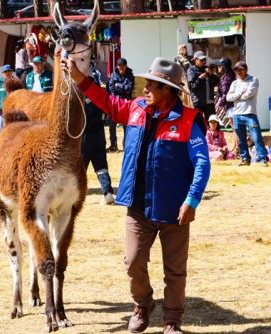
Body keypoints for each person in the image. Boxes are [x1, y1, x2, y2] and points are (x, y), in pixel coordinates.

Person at [63, 55, 210, 334]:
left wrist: (192, 200)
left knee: (175, 270)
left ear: (168, 90)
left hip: (174, 209)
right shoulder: (134, 109)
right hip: (138, 208)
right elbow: (106, 101)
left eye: (151, 84)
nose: (144, 89)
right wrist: (79, 78)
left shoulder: (190, 120)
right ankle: (143, 304)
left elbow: (202, 162)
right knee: (133, 262)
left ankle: (172, 321)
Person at [82, 62, 115, 205]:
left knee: (80, 167)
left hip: (86, 136)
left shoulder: (82, 96)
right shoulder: (100, 94)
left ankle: (75, 195)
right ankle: (107, 192)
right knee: (101, 165)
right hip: (99, 134)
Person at [226, 61, 268, 166]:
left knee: (256, 137)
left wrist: (237, 96)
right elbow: (228, 98)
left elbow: (249, 94)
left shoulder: (253, 80)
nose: (239, 72)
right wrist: (240, 92)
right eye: (236, 70)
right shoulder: (234, 83)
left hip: (250, 113)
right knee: (240, 139)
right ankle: (245, 159)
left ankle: (263, 158)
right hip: (237, 114)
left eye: (241, 69)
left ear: (246, 70)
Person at [106, 57, 135, 152]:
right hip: (114, 102)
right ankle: (113, 145)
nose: (120, 68)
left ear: (126, 66)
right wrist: (122, 88)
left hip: (126, 103)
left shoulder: (130, 75)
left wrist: (118, 85)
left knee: (126, 125)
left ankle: (125, 145)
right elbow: (111, 88)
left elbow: (129, 89)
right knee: (111, 123)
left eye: (122, 66)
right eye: (119, 66)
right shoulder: (113, 74)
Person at [187, 51, 219, 120]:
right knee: (199, 124)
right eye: (201, 60)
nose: (204, 62)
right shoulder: (191, 70)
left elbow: (216, 82)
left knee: (213, 123)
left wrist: (212, 74)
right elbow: (192, 87)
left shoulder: (207, 68)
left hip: (209, 102)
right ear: (195, 60)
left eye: (205, 60)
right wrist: (199, 78)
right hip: (198, 103)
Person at [0, 64, 15, 131]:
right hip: (2, 109)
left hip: (13, 109)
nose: (7, 73)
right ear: (3, 73)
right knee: (0, 128)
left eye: (9, 71)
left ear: (11, 72)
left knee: (12, 128)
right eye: (5, 71)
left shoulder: (15, 82)